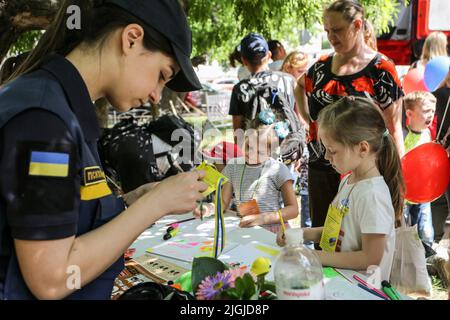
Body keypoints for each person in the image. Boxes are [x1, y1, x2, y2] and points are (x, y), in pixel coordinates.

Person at [0, 0, 208, 300]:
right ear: (131, 39)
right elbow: (53, 280)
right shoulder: (45, 122)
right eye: (162, 75)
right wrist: (155, 205)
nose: (155, 95)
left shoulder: (61, 109)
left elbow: (63, 215)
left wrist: (128, 202)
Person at [294, 0, 404, 230]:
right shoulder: (321, 67)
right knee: (325, 237)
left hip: (362, 172)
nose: (331, 37)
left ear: (357, 25)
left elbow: (393, 129)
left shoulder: (381, 69)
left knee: (358, 239)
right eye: (327, 31)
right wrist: (309, 120)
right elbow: (299, 85)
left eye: (337, 30)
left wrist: (396, 183)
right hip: (322, 166)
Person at [277, 97, 404, 282]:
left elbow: (370, 258)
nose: (327, 156)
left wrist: (313, 256)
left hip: (362, 291)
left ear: (362, 148)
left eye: (332, 150)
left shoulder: (373, 196)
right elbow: (339, 230)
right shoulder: (350, 181)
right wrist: (300, 234)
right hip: (341, 282)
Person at [195, 123, 299, 234]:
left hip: (273, 231)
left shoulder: (278, 169)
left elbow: (293, 210)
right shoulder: (233, 166)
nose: (251, 153)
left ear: (270, 152)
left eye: (259, 152)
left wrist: (262, 218)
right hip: (246, 227)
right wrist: (209, 209)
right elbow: (224, 202)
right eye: (249, 146)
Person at [403, 91, 437, 246]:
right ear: (410, 113)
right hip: (404, 195)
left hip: (423, 194)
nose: (430, 115)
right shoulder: (403, 136)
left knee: (426, 232)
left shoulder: (427, 133)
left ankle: (427, 263)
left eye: (433, 111)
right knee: (404, 231)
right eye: (425, 111)